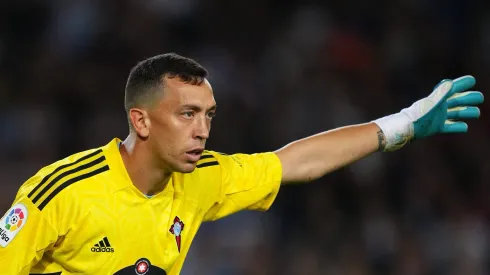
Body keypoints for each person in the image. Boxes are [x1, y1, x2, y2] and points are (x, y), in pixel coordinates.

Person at [0, 53, 484, 275]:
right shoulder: (60, 192)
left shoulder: (202, 177)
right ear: (141, 122)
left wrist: (401, 124)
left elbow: (297, 161)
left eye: (209, 115)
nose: (203, 130)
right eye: (186, 114)